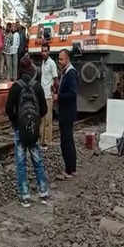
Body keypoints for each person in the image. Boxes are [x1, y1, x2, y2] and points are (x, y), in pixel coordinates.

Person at [5, 55, 50, 207]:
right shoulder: (37, 86)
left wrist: (16, 122)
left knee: (21, 163)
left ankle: (25, 196)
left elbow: (8, 109)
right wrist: (35, 121)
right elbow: (44, 109)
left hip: (20, 130)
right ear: (31, 69)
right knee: (37, 161)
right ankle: (43, 192)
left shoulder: (16, 87)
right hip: (34, 131)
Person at [53, 49, 78, 179]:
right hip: (65, 112)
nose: (59, 61)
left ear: (67, 60)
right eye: (59, 59)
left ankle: (69, 170)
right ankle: (71, 168)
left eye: (61, 59)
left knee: (67, 141)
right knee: (67, 140)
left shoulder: (71, 73)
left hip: (67, 113)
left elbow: (73, 94)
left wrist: (59, 96)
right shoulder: (66, 72)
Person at [40, 41, 58, 147]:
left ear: (49, 52)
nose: (44, 53)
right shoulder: (43, 62)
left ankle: (47, 142)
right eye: (42, 51)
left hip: (48, 95)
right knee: (42, 119)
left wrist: (55, 93)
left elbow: (56, 79)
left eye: (45, 51)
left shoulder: (52, 64)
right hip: (42, 95)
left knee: (48, 119)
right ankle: (42, 140)